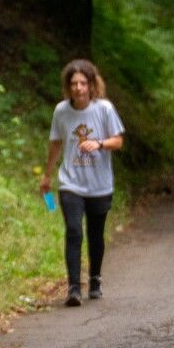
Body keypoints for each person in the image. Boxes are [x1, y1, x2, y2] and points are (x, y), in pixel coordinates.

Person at [40, 59, 125, 306]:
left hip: (99, 184)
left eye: (83, 83)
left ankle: (95, 280)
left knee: (96, 234)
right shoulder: (61, 111)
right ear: (68, 86)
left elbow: (118, 141)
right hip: (71, 183)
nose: (78, 88)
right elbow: (56, 143)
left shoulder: (104, 109)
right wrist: (47, 175)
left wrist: (99, 143)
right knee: (74, 230)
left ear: (91, 85)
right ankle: (74, 288)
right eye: (74, 83)